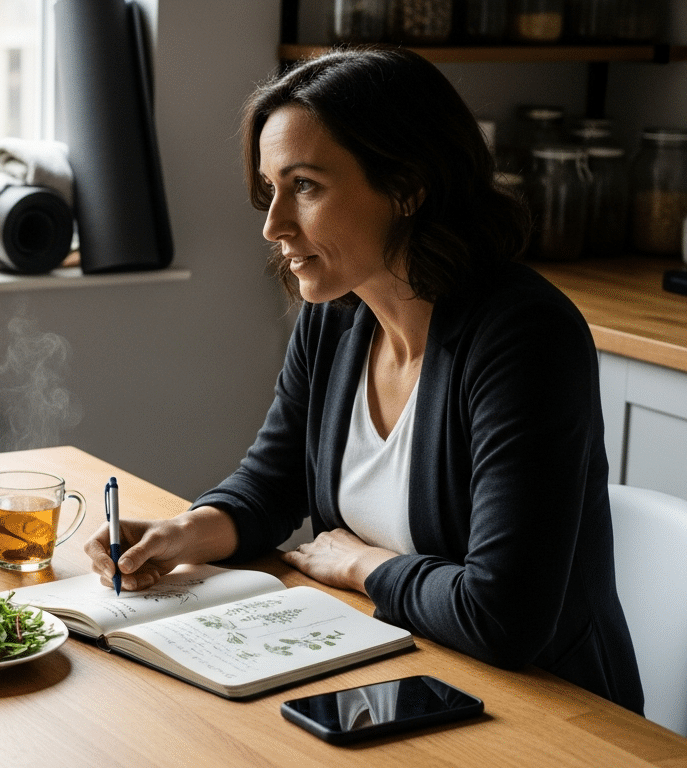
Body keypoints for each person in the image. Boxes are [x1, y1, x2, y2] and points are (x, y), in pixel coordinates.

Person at [85, 48, 644, 713]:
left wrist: (362, 566)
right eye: (272, 189)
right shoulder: (337, 317)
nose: (274, 226)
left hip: (553, 715)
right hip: (399, 677)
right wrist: (183, 533)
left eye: (307, 187)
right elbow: (271, 486)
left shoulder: (524, 338)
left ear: (407, 185)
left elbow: (504, 617)